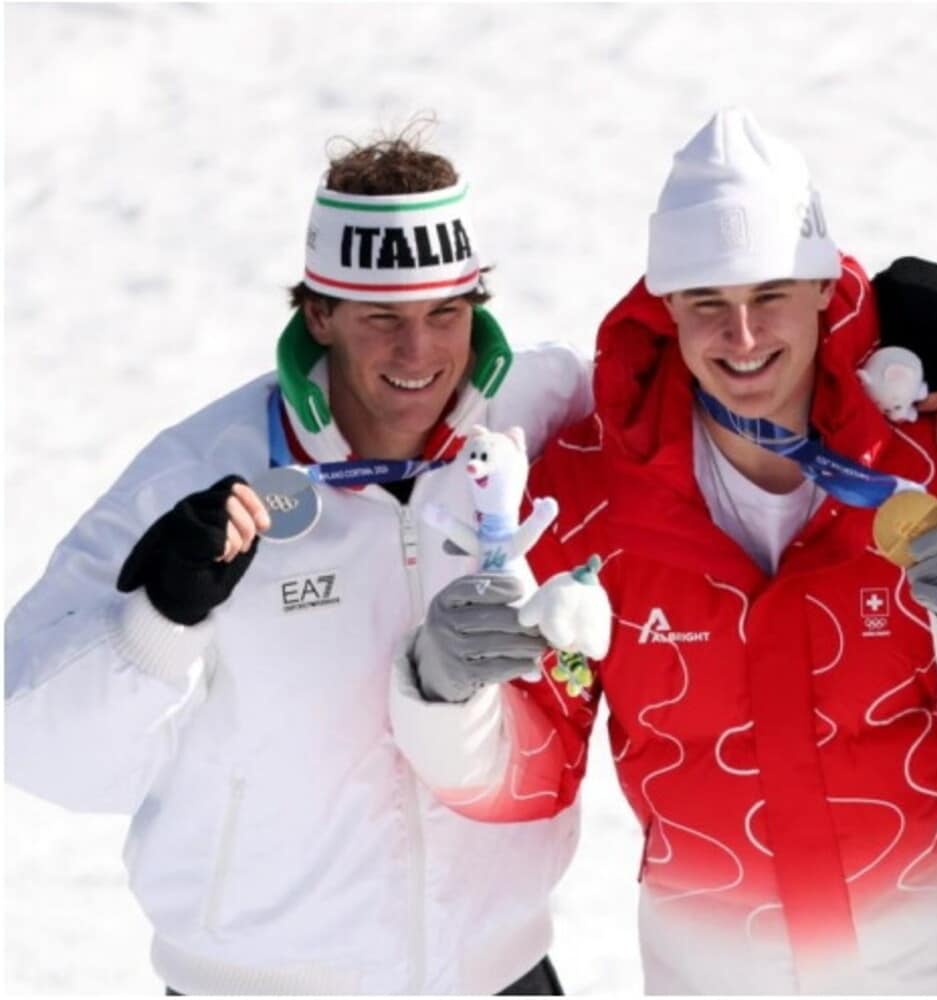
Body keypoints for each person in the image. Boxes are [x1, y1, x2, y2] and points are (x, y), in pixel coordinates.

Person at [386, 108, 937, 994]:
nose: (742, 338)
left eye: (769, 298)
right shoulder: (588, 493)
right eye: (708, 303)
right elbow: (527, 780)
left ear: (826, 289)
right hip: (718, 966)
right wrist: (447, 692)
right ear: (665, 304)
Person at [3, 130, 593, 993]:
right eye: (381, 319)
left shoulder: (537, 417)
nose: (418, 354)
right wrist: (156, 625)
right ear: (318, 314)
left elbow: (707, 377)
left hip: (499, 973)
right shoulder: (201, 472)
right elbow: (31, 746)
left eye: (444, 315)